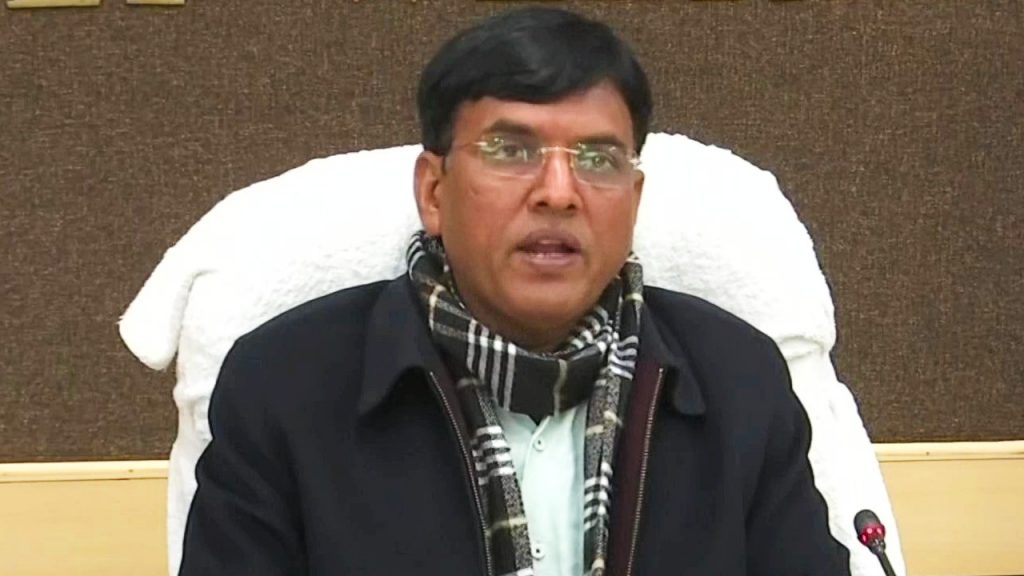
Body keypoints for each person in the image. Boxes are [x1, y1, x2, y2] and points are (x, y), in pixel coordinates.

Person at [178, 7, 851, 576]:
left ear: (634, 198)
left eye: (598, 160)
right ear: (433, 192)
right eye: (511, 151)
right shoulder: (283, 386)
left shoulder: (741, 382)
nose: (558, 192)